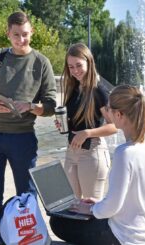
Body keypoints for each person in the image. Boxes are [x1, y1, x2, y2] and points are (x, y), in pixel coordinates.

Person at [50, 85, 145, 245]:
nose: (106, 113)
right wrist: (98, 204)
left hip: (128, 235)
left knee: (58, 223)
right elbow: (130, 196)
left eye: (109, 109)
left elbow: (112, 207)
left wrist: (91, 209)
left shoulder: (126, 153)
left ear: (119, 115)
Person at [0, 11, 57, 215]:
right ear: (8, 34)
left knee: (27, 194)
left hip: (23, 138)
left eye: (26, 34)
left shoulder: (41, 62)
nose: (22, 39)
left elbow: (51, 105)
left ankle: (28, 235)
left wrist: (30, 106)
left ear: (32, 32)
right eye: (16, 35)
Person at [56, 43, 117, 200]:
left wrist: (87, 133)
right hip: (71, 152)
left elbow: (114, 126)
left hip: (92, 153)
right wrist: (63, 125)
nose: (75, 71)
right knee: (71, 204)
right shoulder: (73, 89)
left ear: (89, 63)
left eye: (79, 65)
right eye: (71, 67)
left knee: (92, 209)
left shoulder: (99, 91)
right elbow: (77, 122)